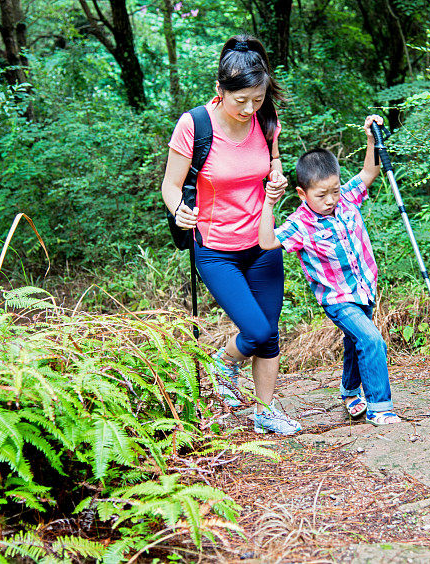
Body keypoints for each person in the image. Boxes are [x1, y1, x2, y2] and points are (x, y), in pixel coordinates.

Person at [161, 34, 301, 436]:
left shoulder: (267, 118)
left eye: (256, 100)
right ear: (219, 90)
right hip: (217, 249)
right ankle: (223, 363)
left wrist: (275, 179)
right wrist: (179, 210)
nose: (249, 109)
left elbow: (272, 164)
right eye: (241, 100)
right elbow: (170, 185)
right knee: (256, 331)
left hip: (262, 241)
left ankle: (265, 412)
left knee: (270, 333)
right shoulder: (195, 125)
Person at [258, 115, 402, 426]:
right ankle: (381, 408)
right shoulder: (301, 223)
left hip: (364, 289)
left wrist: (369, 137)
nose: (330, 200)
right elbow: (267, 241)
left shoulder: (347, 198)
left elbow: (369, 170)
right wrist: (268, 203)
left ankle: (351, 391)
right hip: (337, 299)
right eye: (321, 195)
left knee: (356, 341)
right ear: (302, 194)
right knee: (372, 340)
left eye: (334, 191)